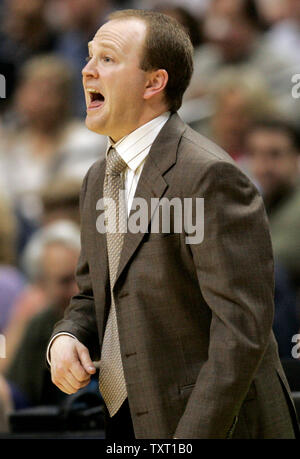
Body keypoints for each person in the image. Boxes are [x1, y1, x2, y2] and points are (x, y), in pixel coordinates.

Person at [48, 9, 299, 439]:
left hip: (215, 425)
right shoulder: (97, 178)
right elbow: (93, 295)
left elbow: (240, 333)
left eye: (107, 59)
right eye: (89, 57)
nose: (87, 70)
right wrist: (67, 338)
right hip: (127, 418)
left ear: (153, 82)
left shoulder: (209, 176)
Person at [244, 119, 300, 286]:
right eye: (255, 154)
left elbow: (272, 264)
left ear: (296, 157)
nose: (263, 167)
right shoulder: (262, 202)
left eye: (274, 154)